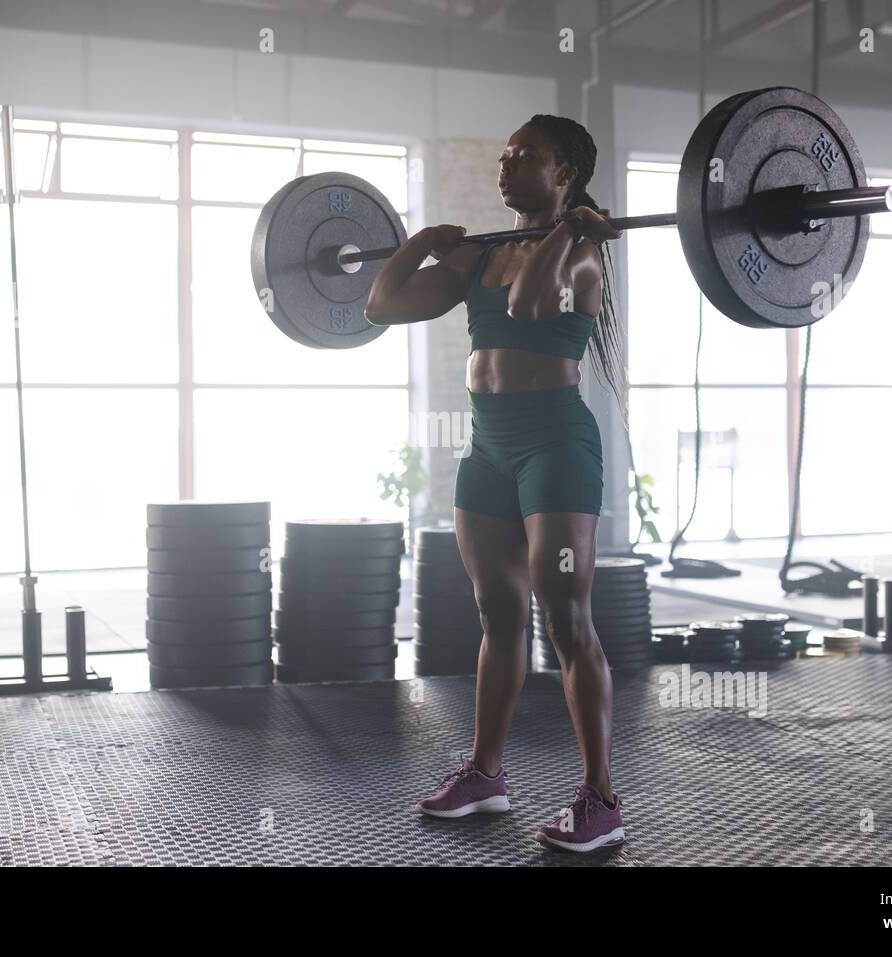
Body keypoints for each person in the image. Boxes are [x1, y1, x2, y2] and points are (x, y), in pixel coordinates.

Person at [364, 114, 628, 853]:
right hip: (489, 447)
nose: (507, 166)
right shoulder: (481, 256)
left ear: (565, 173)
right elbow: (381, 306)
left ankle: (602, 797)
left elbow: (528, 306)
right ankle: (486, 774)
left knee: (566, 616)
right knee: (499, 615)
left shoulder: (579, 252)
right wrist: (421, 243)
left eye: (527, 157)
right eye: (506, 155)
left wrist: (570, 231)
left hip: (556, 446)